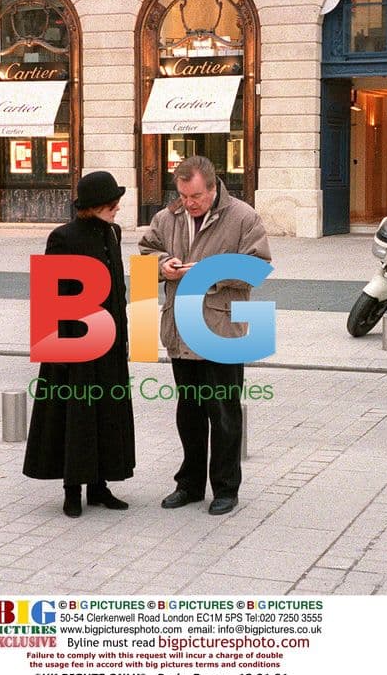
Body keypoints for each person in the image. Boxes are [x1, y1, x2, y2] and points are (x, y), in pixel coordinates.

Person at [139, 156, 271, 516]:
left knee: (224, 413)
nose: (189, 203)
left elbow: (258, 267)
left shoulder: (244, 217)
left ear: (213, 188)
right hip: (180, 330)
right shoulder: (167, 218)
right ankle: (190, 484)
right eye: (183, 195)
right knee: (190, 412)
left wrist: (210, 273)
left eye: (195, 196)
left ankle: (226, 489)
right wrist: (162, 265)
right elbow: (146, 251)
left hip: (221, 331)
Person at [23, 171, 135, 517]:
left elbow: (118, 287)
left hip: (110, 341)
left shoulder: (113, 233)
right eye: (112, 204)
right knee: (75, 415)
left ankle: (100, 486)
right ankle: (72, 489)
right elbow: (49, 295)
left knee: (107, 413)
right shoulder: (62, 237)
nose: (117, 208)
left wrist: (125, 334)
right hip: (74, 344)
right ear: (95, 206)